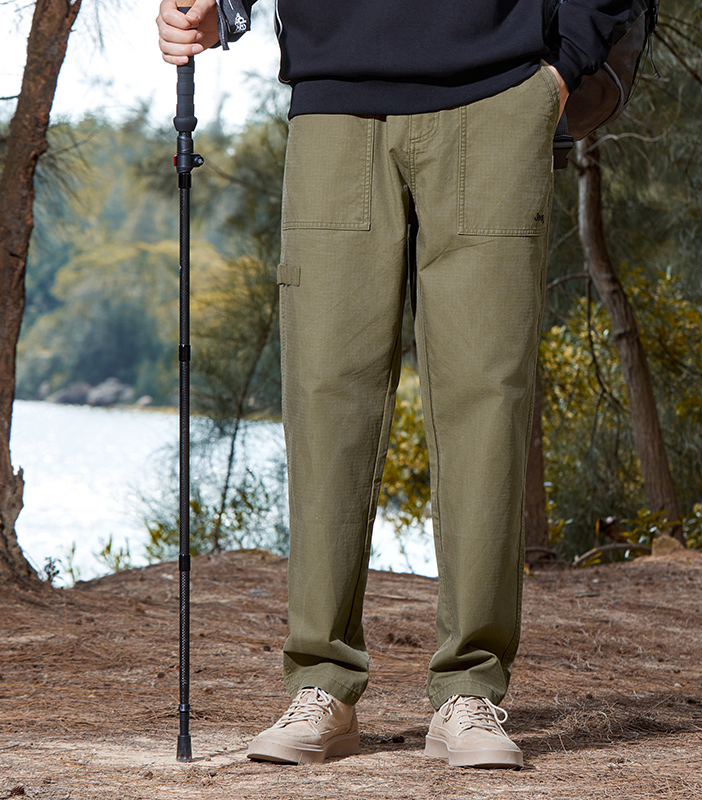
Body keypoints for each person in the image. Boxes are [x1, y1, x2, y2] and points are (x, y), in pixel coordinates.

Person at [157, 0, 632, 769]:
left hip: (497, 89)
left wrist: (565, 61)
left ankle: (469, 691)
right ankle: (322, 684)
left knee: (486, 397)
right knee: (324, 395)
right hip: (333, 94)